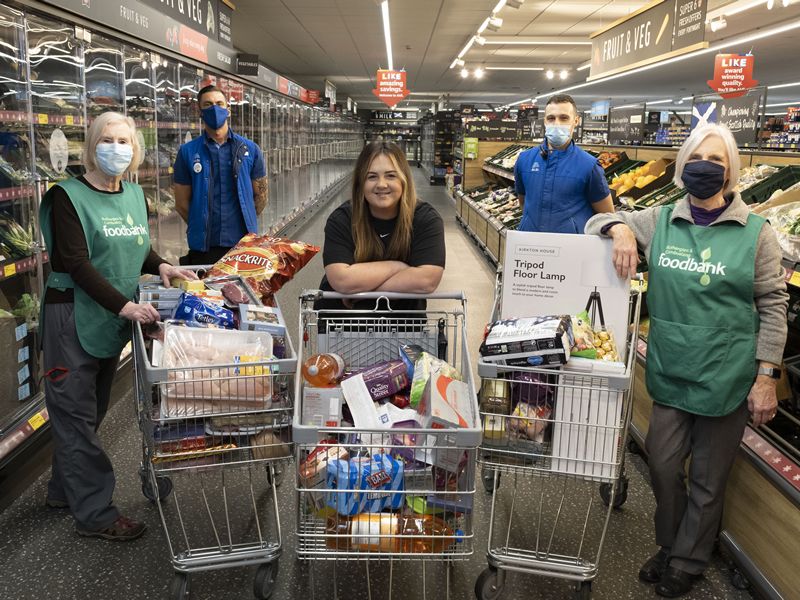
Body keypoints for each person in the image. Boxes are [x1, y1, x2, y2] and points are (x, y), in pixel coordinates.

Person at [585, 123, 788, 598]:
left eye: (718, 161)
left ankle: (687, 560)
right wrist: (618, 229)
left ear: (732, 172)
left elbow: (774, 306)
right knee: (661, 464)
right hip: (672, 370)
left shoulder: (757, 234)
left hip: (727, 375)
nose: (706, 168)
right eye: (698, 158)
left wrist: (765, 377)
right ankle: (671, 542)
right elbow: (593, 222)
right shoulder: (660, 221)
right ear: (682, 167)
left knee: (707, 479)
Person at [39, 112, 197, 541]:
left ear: (135, 149)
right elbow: (74, 262)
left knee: (88, 411)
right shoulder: (67, 197)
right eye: (107, 140)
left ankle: (62, 490)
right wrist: (125, 306)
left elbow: (138, 247)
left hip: (110, 315)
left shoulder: (132, 194)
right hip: (72, 314)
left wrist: (162, 264)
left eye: (124, 141)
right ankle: (96, 514)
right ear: (92, 145)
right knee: (74, 413)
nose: (116, 148)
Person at [316, 141, 445, 314]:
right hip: (343, 324)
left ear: (404, 180)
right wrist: (397, 267)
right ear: (360, 183)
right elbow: (342, 280)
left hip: (403, 324)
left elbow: (427, 280)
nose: (381, 184)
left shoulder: (425, 219)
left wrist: (361, 293)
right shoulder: (342, 219)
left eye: (391, 176)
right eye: (372, 177)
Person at [173, 84, 269, 265]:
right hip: (204, 247)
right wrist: (199, 222)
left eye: (219, 103)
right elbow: (181, 203)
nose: (215, 108)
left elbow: (261, 196)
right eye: (208, 104)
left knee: (241, 293)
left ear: (228, 110)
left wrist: (246, 218)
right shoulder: (187, 152)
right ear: (199, 111)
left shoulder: (249, 149)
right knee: (204, 293)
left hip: (242, 244)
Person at [514, 94, 614, 233]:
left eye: (564, 118)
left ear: (576, 121)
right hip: (531, 246)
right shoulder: (524, 160)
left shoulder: (589, 165)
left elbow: (607, 216)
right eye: (551, 118)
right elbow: (523, 202)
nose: (557, 123)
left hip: (570, 248)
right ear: (544, 121)